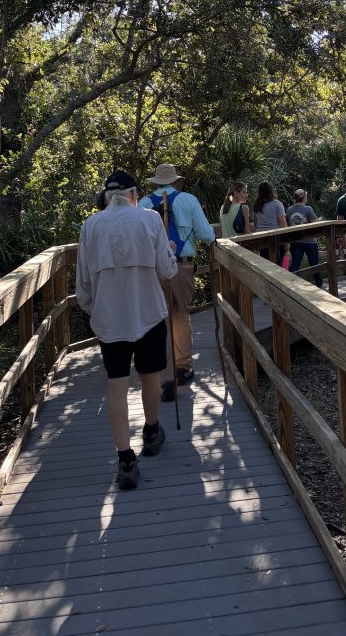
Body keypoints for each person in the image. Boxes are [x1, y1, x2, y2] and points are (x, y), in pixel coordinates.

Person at [76, 170, 177, 491]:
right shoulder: (149, 220)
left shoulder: (91, 226)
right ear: (134, 194)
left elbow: (84, 285)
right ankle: (150, 431)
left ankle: (125, 459)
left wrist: (96, 309)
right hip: (148, 312)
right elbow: (167, 270)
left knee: (116, 384)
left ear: (107, 196)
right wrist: (170, 250)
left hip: (109, 319)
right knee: (151, 375)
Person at [139, 163, 216, 402]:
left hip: (152, 270)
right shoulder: (189, 200)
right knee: (180, 314)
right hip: (181, 266)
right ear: (176, 182)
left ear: (155, 183)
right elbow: (206, 235)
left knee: (158, 319)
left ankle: (165, 376)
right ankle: (182, 368)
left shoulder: (142, 205)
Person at [286, 188, 323, 288]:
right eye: (306, 196)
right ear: (303, 197)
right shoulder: (308, 209)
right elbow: (313, 223)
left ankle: (289, 285)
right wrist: (319, 220)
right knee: (314, 264)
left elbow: (289, 224)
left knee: (295, 265)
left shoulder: (289, 210)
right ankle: (320, 284)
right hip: (309, 241)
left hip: (295, 241)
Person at [253, 181, 288, 260]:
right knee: (278, 263)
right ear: (271, 191)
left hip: (261, 238)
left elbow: (256, 224)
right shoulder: (277, 204)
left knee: (265, 262)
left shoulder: (257, 205)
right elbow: (283, 223)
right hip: (276, 238)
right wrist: (287, 242)